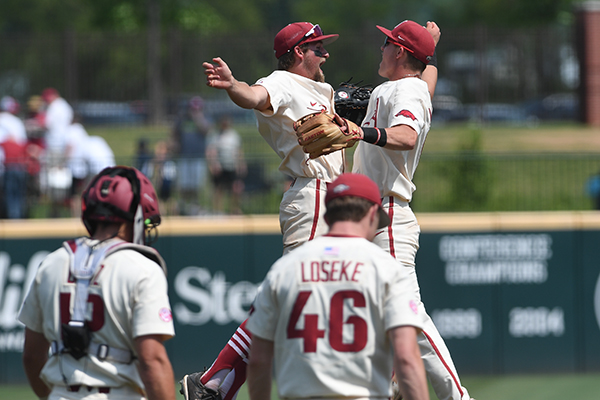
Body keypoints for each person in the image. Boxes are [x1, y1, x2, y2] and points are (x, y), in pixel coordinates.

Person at [180, 21, 345, 400]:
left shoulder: (322, 88)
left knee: (309, 299)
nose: (326, 54)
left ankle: (214, 385)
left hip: (329, 198)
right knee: (291, 298)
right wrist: (232, 84)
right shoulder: (281, 81)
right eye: (318, 48)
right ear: (299, 53)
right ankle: (212, 382)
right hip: (312, 193)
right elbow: (254, 96)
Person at [348, 21, 471, 400]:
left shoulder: (406, 89)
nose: (381, 48)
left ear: (399, 52)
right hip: (370, 219)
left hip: (386, 215)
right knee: (373, 316)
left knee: (411, 318)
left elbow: (406, 135)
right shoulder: (410, 86)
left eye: (388, 43)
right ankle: (392, 387)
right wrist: (427, 50)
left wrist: (362, 132)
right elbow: (426, 83)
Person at [246, 173, 428, 400]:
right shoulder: (387, 269)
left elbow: (258, 360)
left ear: (327, 215)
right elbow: (406, 358)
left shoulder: (283, 270)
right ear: (372, 214)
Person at [18, 166, 176, 400]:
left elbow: (31, 356)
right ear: (137, 216)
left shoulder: (51, 263)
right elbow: (152, 360)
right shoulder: (143, 269)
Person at [172, 96, 211, 215]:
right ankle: (183, 206)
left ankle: (195, 206)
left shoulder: (204, 119)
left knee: (196, 185)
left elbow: (206, 130)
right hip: (184, 157)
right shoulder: (182, 120)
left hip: (198, 157)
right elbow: (175, 134)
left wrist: (197, 118)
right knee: (184, 185)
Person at [206, 116, 247, 214]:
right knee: (218, 190)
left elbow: (238, 151)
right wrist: (212, 164)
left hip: (231, 166)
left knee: (236, 189)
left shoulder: (234, 136)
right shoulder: (215, 136)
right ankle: (217, 210)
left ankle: (234, 209)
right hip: (219, 167)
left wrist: (241, 164)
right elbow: (211, 151)